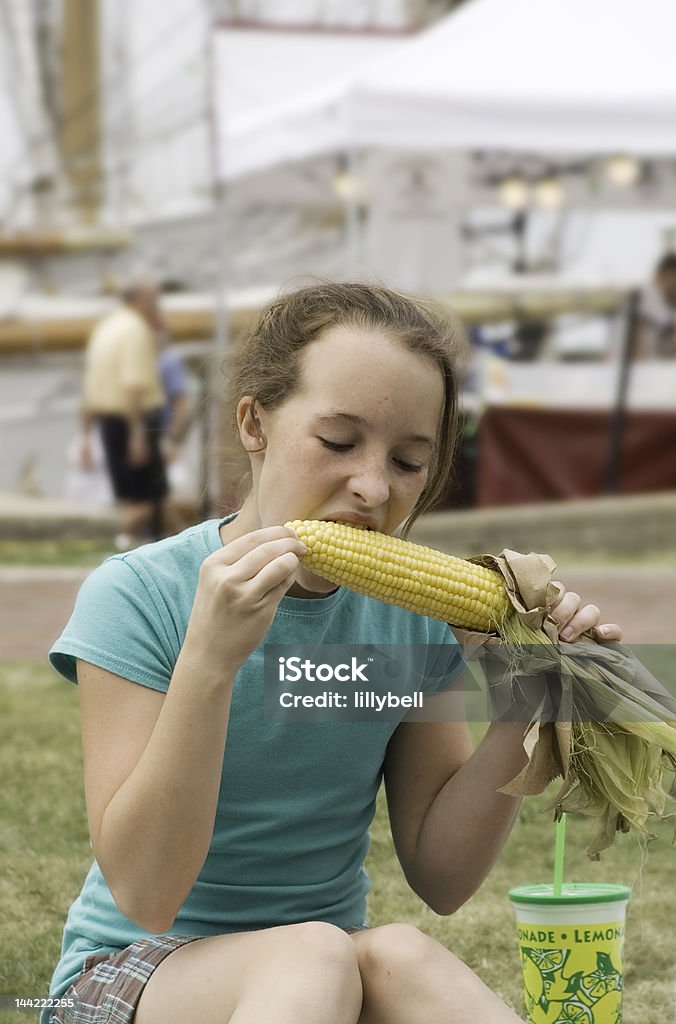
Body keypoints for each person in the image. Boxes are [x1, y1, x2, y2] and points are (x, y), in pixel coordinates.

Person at [44, 283, 622, 1024]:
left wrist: (528, 705)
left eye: (410, 462)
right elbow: (146, 892)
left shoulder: (409, 621)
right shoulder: (137, 594)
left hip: (328, 986)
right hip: (133, 976)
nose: (373, 488)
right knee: (314, 951)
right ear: (255, 422)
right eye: (339, 443)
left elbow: (442, 876)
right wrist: (211, 662)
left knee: (397, 953)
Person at [79, 280, 169, 547]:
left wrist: (85, 437)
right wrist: (137, 434)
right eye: (154, 299)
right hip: (134, 421)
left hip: (109, 421)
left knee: (128, 495)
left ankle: (126, 540)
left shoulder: (106, 328)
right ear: (140, 300)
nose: (157, 306)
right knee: (151, 499)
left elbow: (90, 387)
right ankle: (129, 539)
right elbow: (133, 384)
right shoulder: (135, 330)